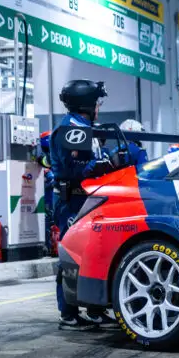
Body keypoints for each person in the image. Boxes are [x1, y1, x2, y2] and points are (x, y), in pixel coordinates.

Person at [50, 80, 118, 330]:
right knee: (73, 257)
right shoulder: (71, 129)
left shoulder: (87, 128)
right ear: (87, 104)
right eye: (96, 102)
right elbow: (72, 169)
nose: (99, 107)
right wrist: (100, 166)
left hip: (90, 199)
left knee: (96, 254)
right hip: (73, 200)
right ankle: (68, 314)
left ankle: (95, 309)